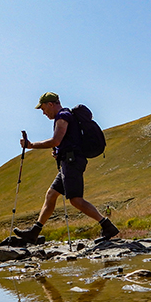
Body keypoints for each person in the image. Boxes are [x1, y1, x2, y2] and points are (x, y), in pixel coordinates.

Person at [14, 92, 119, 243]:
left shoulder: (62, 116)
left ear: (51, 104)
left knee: (76, 200)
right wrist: (60, 152)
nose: (43, 113)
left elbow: (56, 140)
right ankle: (34, 232)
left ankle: (107, 226)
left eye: (43, 108)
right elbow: (64, 142)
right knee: (51, 194)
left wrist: (31, 146)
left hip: (72, 162)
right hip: (68, 161)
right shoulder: (65, 115)